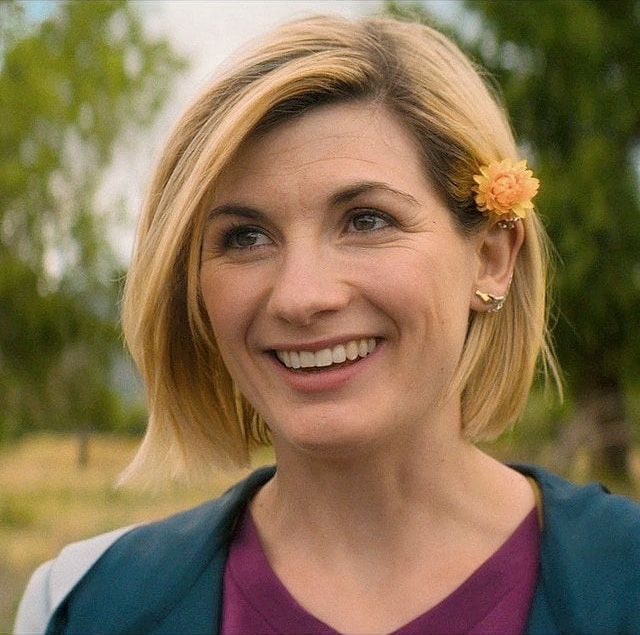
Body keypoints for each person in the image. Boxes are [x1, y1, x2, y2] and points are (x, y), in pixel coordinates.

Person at [15, 14, 640, 635]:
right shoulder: (83, 605)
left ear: (492, 257)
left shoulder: (623, 580)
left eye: (367, 221)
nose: (300, 296)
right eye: (245, 237)